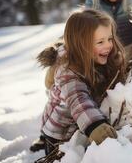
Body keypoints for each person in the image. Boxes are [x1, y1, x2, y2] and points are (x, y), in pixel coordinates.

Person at [35, 9, 126, 157]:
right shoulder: (68, 71)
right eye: (100, 42)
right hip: (60, 135)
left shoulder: (97, 56)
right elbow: (78, 99)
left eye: (110, 39)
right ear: (81, 45)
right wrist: (95, 125)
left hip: (80, 126)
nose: (108, 45)